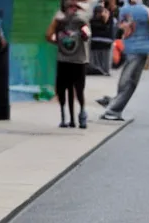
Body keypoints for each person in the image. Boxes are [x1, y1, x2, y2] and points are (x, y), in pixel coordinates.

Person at [99, 0, 149, 121]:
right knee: (131, 81)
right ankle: (113, 110)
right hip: (140, 48)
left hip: (129, 47)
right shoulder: (146, 11)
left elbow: (122, 27)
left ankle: (113, 103)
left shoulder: (124, 10)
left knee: (126, 78)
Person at [46, 0, 92, 129]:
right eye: (69, 6)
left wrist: (83, 30)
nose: (72, 9)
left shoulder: (82, 21)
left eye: (75, 6)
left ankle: (82, 113)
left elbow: (87, 35)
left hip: (79, 60)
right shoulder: (60, 23)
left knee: (78, 90)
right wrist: (56, 22)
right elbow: (48, 35)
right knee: (62, 89)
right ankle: (65, 117)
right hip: (64, 59)